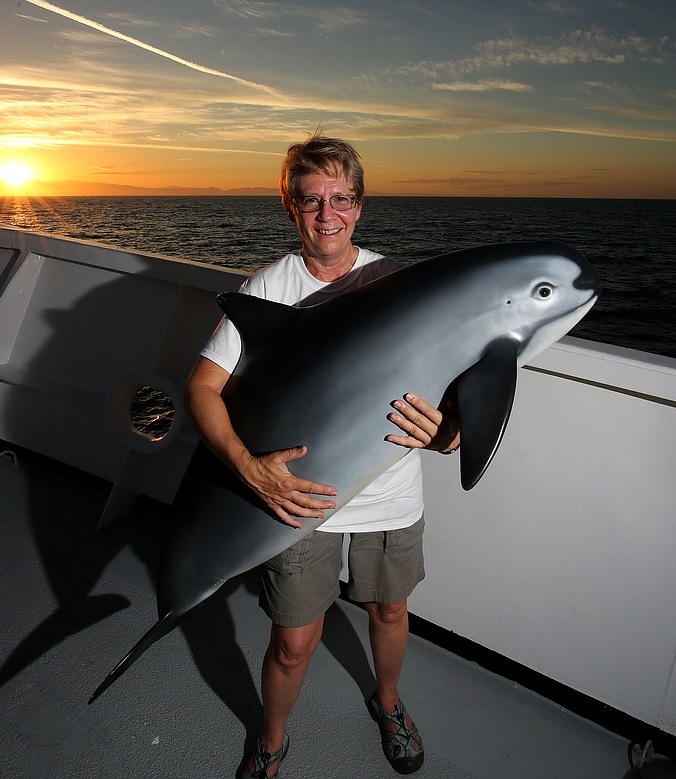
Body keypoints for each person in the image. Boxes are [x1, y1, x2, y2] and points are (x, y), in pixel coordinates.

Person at [185, 132, 460, 778]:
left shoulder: (398, 283)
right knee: (292, 643)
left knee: (391, 610)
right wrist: (250, 468)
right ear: (290, 206)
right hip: (301, 499)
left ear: (360, 206)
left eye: (340, 199)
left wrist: (444, 434)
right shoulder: (269, 289)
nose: (326, 214)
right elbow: (201, 389)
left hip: (391, 495)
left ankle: (388, 701)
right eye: (311, 201)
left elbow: (454, 419)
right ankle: (272, 738)